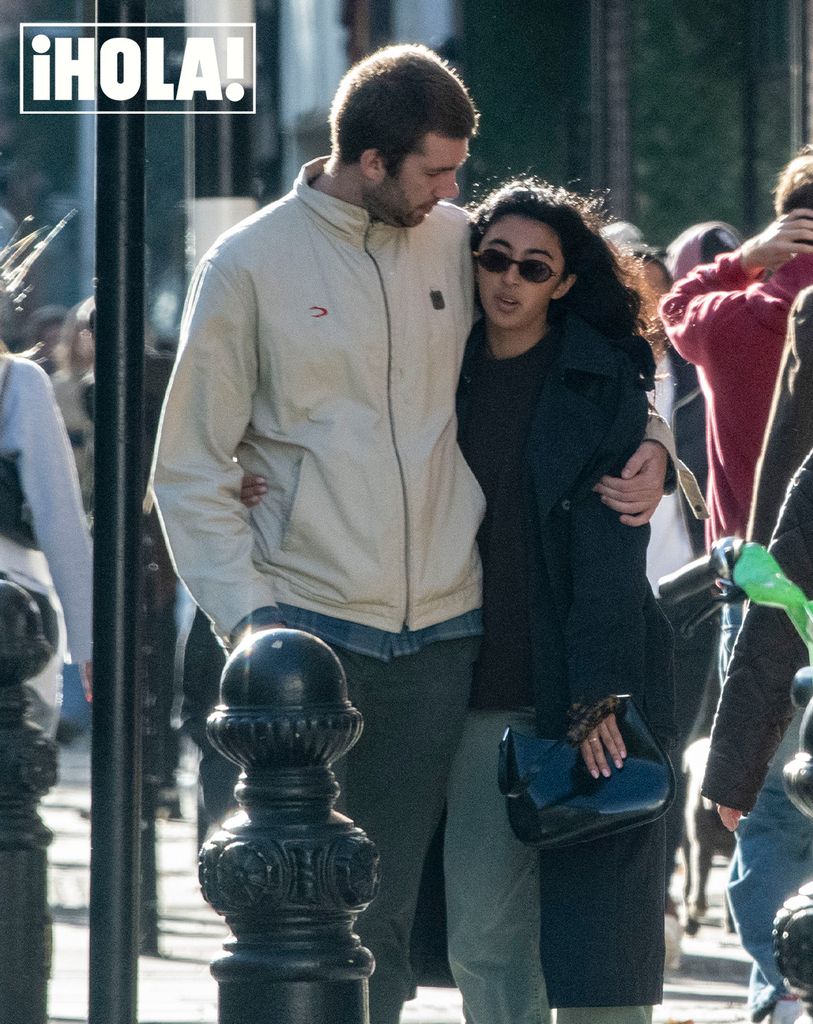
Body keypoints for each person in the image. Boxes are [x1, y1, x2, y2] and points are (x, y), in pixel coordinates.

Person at [152, 45, 671, 1024]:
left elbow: (586, 351)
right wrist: (252, 623)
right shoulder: (249, 264)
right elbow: (187, 468)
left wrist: (655, 439)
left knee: (386, 920)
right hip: (309, 639)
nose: (455, 192)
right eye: (437, 170)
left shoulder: (459, 244)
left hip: (444, 646)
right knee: (295, 913)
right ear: (373, 160)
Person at [440, 179, 673, 1024]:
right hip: (477, 678)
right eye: (493, 258)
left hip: (587, 680)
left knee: (597, 945)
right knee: (481, 935)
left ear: (565, 281)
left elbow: (612, 548)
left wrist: (598, 693)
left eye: (533, 267)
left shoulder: (597, 378)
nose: (508, 279)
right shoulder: (440, 362)